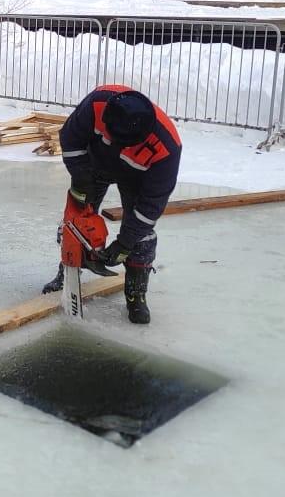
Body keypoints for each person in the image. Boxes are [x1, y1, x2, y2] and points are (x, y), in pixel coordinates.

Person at [44, 85, 182, 324]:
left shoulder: (167, 148)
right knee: (76, 220)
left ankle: (136, 294)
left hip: (137, 179)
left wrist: (125, 243)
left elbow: (150, 207)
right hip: (93, 166)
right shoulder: (97, 103)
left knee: (142, 235)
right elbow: (70, 139)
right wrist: (80, 178)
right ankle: (66, 273)